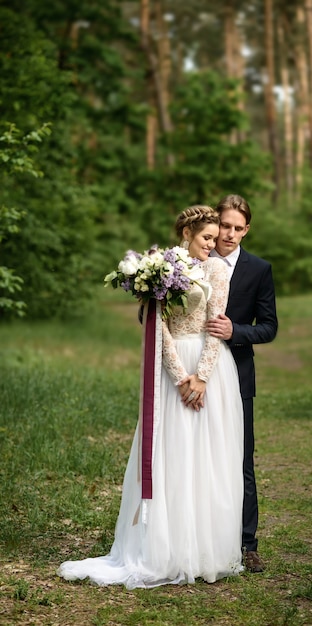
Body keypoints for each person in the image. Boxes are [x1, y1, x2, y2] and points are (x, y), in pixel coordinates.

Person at [58, 206, 244, 588]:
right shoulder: (162, 268)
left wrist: (202, 378)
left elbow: (216, 326)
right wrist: (180, 378)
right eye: (207, 237)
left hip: (209, 370)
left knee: (207, 456)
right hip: (172, 368)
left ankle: (203, 548)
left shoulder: (217, 272)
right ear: (188, 233)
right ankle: (164, 546)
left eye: (216, 237)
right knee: (171, 453)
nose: (214, 244)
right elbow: (158, 328)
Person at [206, 194, 278, 573]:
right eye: (225, 226)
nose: (230, 234)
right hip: (192, 374)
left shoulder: (259, 269)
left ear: (247, 229)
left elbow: (269, 327)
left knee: (240, 458)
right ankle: (200, 534)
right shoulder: (192, 262)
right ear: (215, 224)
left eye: (238, 228)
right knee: (197, 455)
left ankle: (247, 543)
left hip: (237, 375)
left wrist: (238, 330)